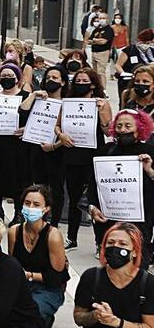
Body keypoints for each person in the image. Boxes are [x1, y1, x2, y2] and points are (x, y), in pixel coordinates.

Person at [86, 109, 154, 265]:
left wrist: (150, 170)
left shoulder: (149, 152)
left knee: (138, 262)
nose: (123, 130)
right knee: (111, 262)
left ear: (139, 127)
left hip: (140, 222)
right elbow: (93, 184)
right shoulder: (106, 152)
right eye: (119, 126)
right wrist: (92, 207)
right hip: (110, 220)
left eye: (128, 126)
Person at [7, 185, 68, 328]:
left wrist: (29, 275)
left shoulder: (53, 236)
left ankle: (44, 318)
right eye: (27, 203)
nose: (30, 207)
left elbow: (57, 277)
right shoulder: (14, 231)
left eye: (36, 204)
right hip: (22, 286)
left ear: (46, 209)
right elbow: (13, 264)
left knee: (31, 313)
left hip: (48, 287)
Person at [61, 68, 111, 249]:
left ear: (93, 84)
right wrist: (61, 136)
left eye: (84, 81)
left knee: (95, 199)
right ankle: (71, 237)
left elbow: (108, 130)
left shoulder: (101, 103)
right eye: (78, 81)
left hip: (94, 154)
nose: (80, 84)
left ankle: (100, 242)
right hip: (73, 154)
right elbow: (58, 126)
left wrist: (101, 112)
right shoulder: (68, 102)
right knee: (74, 198)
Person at [20, 66, 68, 227]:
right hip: (37, 149)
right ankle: (39, 219)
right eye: (48, 78)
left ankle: (54, 223)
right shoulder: (38, 99)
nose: (51, 81)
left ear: (63, 81)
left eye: (55, 78)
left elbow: (71, 132)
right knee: (38, 186)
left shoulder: (67, 103)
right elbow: (23, 111)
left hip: (56, 151)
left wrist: (54, 146)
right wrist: (33, 95)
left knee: (56, 189)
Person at [0, 64, 30, 210]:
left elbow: (32, 119)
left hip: (17, 145)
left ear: (18, 78)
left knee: (17, 179)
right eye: (3, 76)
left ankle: (18, 211)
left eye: (10, 76)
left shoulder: (26, 96)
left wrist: (26, 129)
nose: (7, 79)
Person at [115, 30, 154, 101]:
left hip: (147, 83)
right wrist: (123, 73)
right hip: (128, 81)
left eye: (148, 43)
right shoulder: (129, 50)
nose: (145, 45)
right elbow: (118, 65)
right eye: (143, 42)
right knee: (127, 99)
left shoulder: (152, 51)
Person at [88, 11, 114, 85]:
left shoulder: (109, 29)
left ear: (107, 19)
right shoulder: (97, 29)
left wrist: (95, 40)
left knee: (101, 72)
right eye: (100, 18)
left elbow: (104, 42)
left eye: (103, 18)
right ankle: (97, 87)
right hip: (94, 52)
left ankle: (103, 89)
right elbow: (89, 41)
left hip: (103, 52)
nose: (101, 20)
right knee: (94, 72)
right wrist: (97, 40)